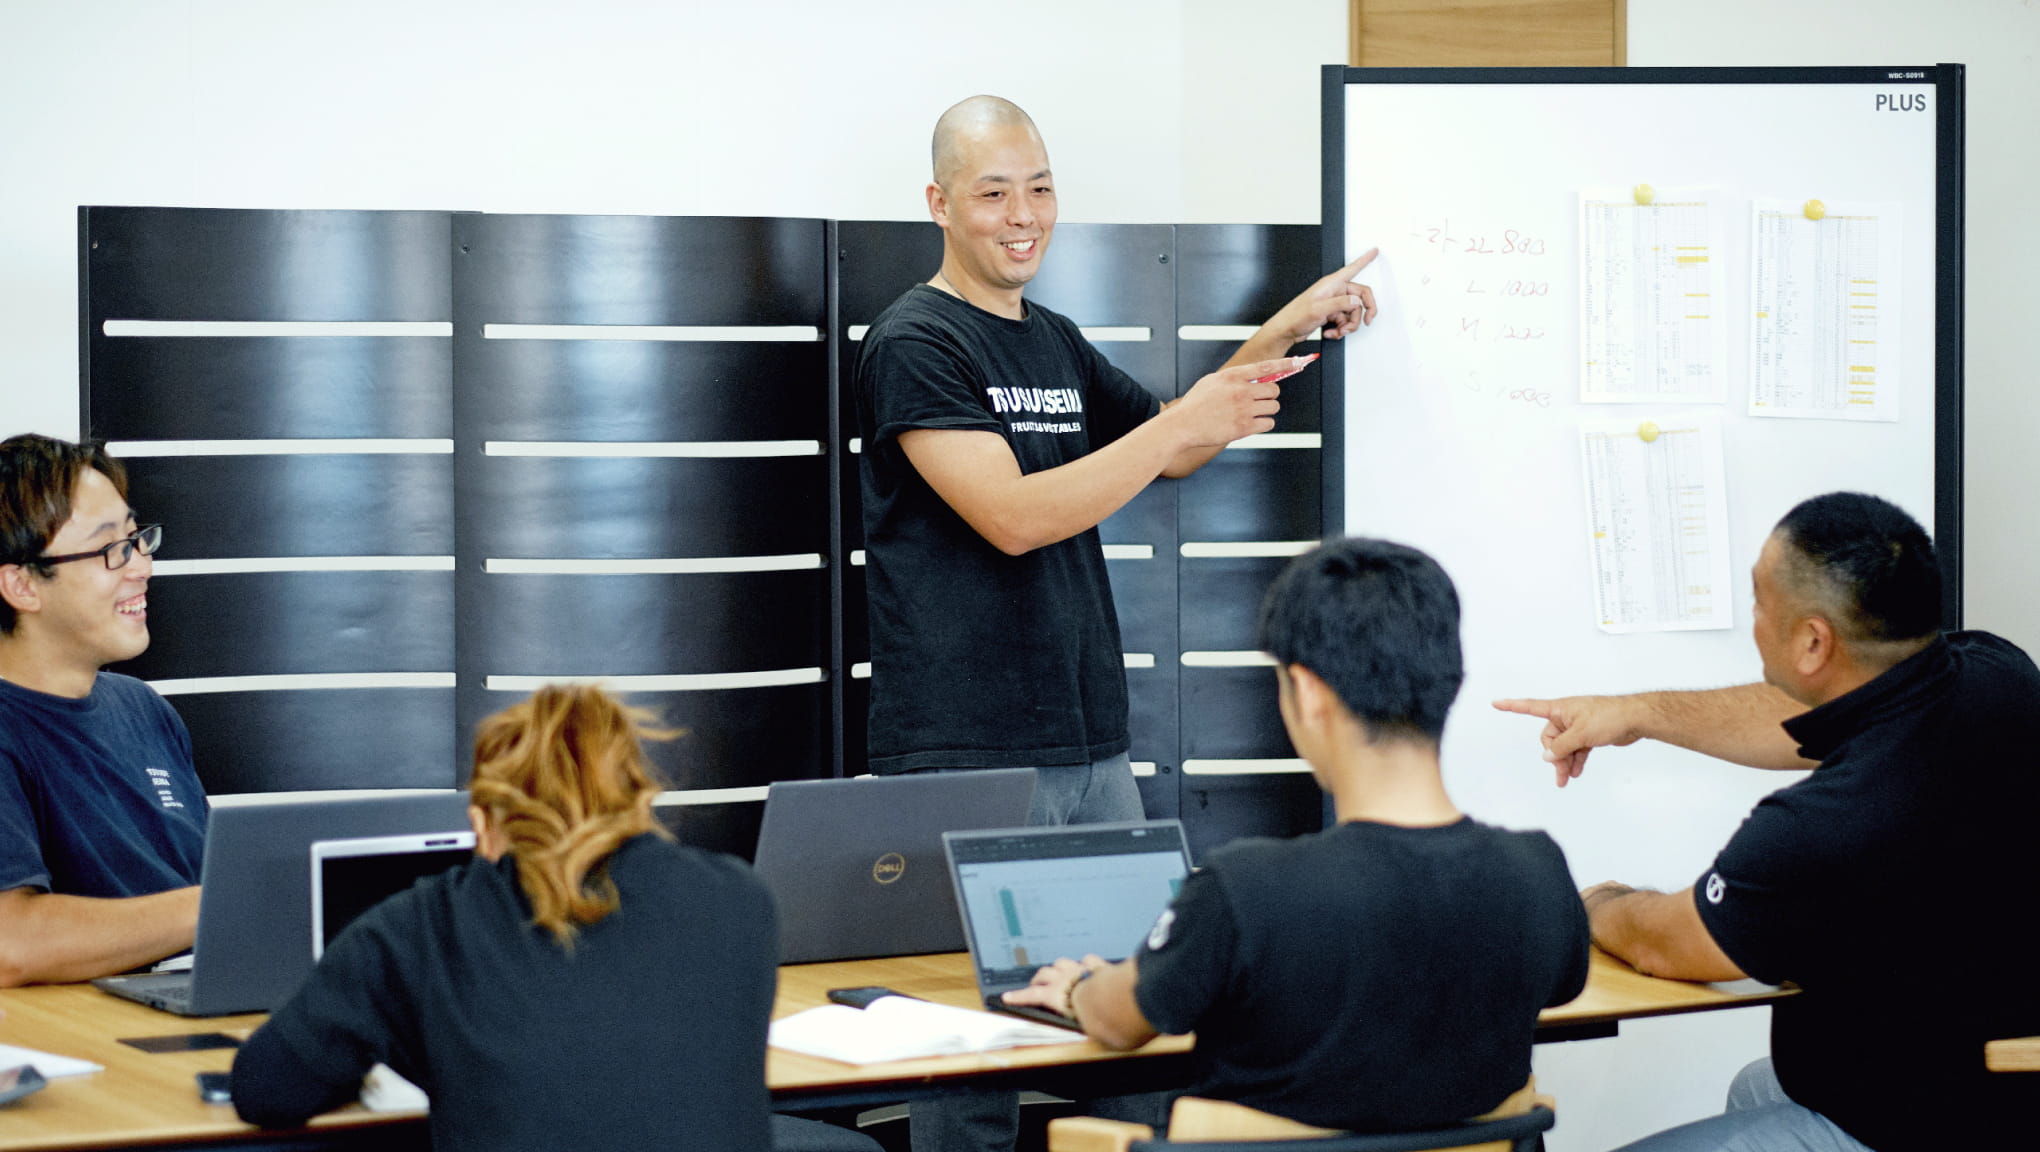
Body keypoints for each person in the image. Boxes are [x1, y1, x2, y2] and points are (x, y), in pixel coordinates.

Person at [855, 93, 1379, 829]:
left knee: (1125, 947)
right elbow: (1011, 517)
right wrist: (1177, 430)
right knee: (980, 952)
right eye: (994, 193)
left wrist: (1288, 327)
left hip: (1090, 741)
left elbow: (1175, 445)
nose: (1024, 215)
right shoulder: (914, 342)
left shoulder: (1054, 337)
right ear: (940, 204)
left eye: (1040, 188)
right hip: (969, 747)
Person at [1494, 492, 2040, 1150]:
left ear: (1812, 641)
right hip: (1989, 1078)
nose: (1752, 618)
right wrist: (1634, 711)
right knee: (1757, 1085)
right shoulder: (1997, 675)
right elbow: (1804, 717)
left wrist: (1597, 903)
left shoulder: (1828, 820)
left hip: (1919, 1122)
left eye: (1758, 600)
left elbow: (1666, 944)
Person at [1005, 537, 1590, 1132]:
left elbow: (1117, 1020)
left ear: (1308, 693)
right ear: (1450, 681)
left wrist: (1079, 988)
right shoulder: (1537, 873)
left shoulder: (1243, 890)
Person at [231, 685, 877, 1152]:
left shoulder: (423, 926)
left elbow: (267, 1090)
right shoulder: (741, 903)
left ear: (483, 828)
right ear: (638, 800)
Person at [0, 433, 201, 987]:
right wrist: (223, 903)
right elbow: (10, 942)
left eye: (137, 539)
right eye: (111, 548)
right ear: (21, 584)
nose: (142, 567)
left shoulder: (143, 710)